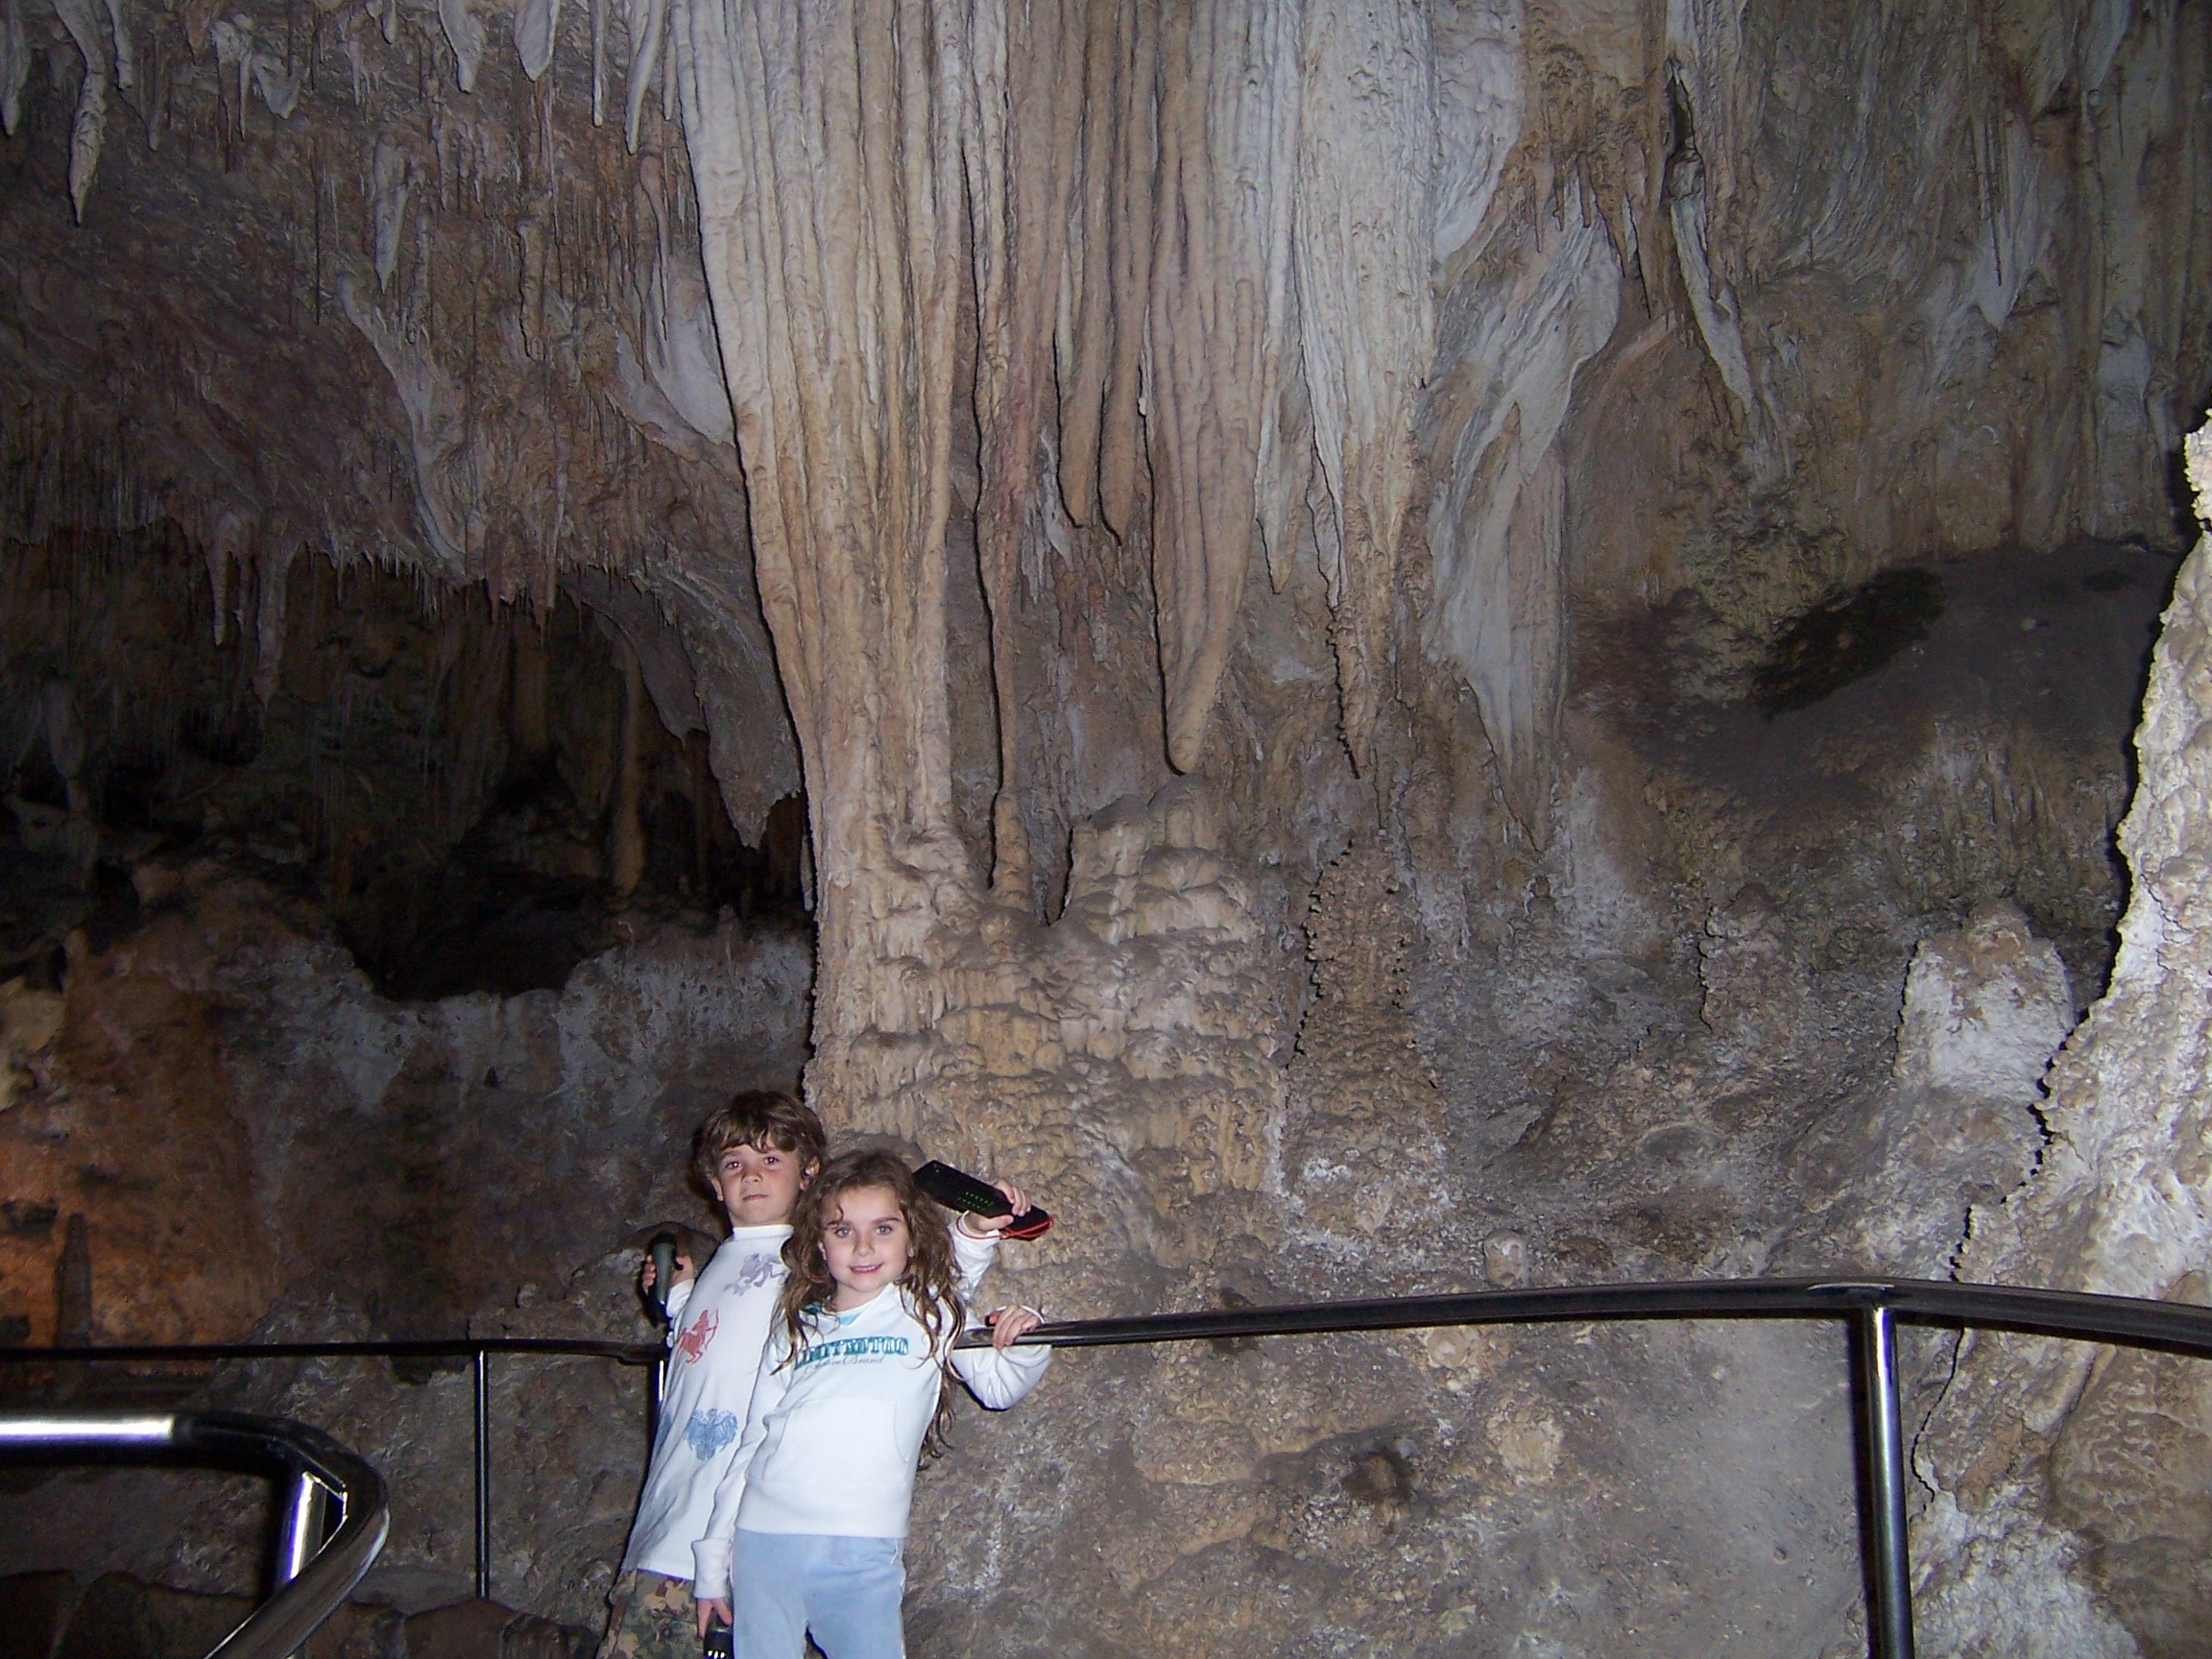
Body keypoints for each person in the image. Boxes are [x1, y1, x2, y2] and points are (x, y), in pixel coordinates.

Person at [690, 1148, 1051, 1659]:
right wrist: (711, 1566)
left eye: (883, 1229)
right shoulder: (797, 1328)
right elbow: (752, 1443)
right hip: (763, 1540)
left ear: (911, 1237)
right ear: (819, 1242)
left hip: (862, 1547)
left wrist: (1025, 1336)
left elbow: (999, 1385)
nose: (862, 1247)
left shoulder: (927, 1312)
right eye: (842, 1231)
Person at [596, 1090, 827, 1659]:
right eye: (734, 1164)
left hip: (725, 1548)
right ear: (714, 1181)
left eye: (771, 1160)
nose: (751, 1176)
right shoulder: (725, 1259)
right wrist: (679, 1300)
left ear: (808, 1171)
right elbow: (713, 1357)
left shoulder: (809, 1269)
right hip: (664, 1525)